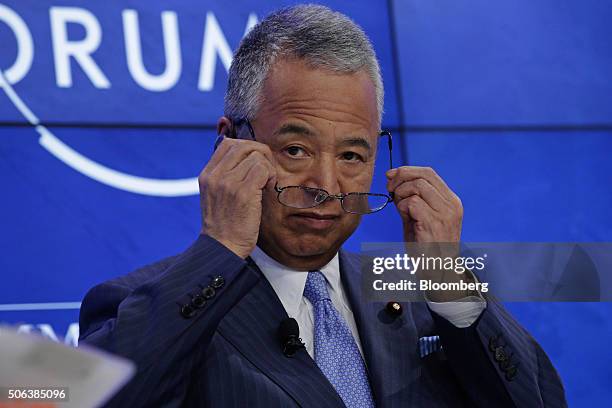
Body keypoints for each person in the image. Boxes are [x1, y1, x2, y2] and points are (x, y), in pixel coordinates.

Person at [79, 5, 566, 407]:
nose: (326, 186)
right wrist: (221, 248)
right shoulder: (136, 305)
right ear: (229, 145)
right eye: (295, 150)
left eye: (353, 156)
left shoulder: (422, 295)